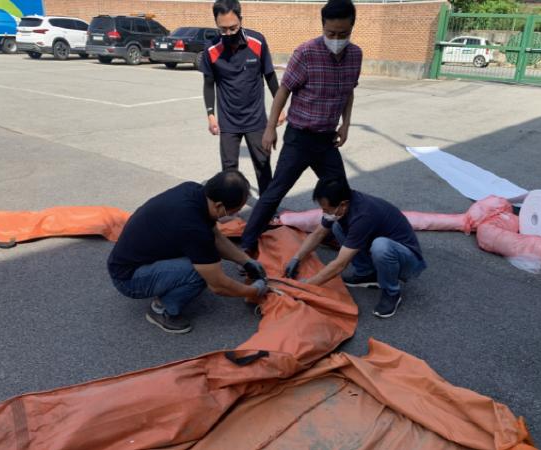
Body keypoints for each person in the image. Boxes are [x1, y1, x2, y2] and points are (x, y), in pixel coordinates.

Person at [240, 0, 362, 254]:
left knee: (340, 193)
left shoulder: (355, 55)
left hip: (327, 140)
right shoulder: (306, 53)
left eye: (343, 34)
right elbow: (283, 91)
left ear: (352, 27)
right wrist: (270, 128)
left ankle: (340, 237)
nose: (336, 39)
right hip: (300, 138)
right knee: (275, 192)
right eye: (331, 33)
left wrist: (346, 124)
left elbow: (349, 91)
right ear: (322, 26)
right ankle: (247, 244)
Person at [107, 170, 269, 334]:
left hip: (130, 260)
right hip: (128, 278)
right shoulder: (193, 228)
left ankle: (168, 280)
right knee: (199, 273)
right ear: (219, 205)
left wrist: (245, 260)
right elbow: (217, 285)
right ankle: (161, 310)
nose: (236, 215)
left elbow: (215, 237)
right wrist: (254, 290)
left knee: (204, 256)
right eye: (234, 211)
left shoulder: (193, 191)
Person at [284, 178, 427, 318]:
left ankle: (392, 292)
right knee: (338, 227)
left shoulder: (363, 216)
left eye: (327, 209)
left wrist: (308, 285)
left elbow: (340, 264)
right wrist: (296, 258)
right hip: (387, 247)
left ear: (343, 204)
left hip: (408, 259)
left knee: (381, 246)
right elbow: (318, 233)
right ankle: (367, 273)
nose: (324, 213)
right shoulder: (345, 202)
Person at [201, 0, 284, 195]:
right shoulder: (211, 49)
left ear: (241, 20)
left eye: (233, 28)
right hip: (228, 120)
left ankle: (267, 208)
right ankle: (231, 208)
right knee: (229, 170)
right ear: (216, 23)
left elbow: (270, 76)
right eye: (223, 29)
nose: (229, 33)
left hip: (256, 119)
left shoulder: (257, 42)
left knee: (263, 164)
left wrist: (279, 109)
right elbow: (208, 84)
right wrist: (211, 115)